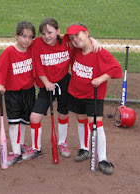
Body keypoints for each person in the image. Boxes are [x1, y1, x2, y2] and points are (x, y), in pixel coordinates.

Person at [22, 18, 101, 160]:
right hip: (46, 84)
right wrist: (46, 82)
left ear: (58, 31)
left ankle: (62, 143)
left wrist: (93, 40)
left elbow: (81, 39)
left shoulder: (67, 41)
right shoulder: (37, 44)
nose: (47, 36)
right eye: (43, 33)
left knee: (63, 114)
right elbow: (38, 66)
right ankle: (36, 149)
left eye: (50, 32)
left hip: (65, 83)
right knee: (34, 117)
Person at [65, 23, 122, 175]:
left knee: (96, 124)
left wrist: (101, 78)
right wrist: (91, 39)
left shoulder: (99, 51)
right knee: (81, 119)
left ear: (86, 33)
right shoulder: (74, 49)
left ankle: (102, 158)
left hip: (93, 95)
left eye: (78, 35)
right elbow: (55, 39)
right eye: (72, 38)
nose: (75, 40)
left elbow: (116, 68)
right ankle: (85, 149)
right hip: (76, 92)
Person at [0, 21, 36, 166]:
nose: (26, 40)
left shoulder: (32, 48)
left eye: (30, 37)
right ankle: (16, 153)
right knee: (14, 122)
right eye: (23, 36)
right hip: (13, 93)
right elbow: (0, 68)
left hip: (28, 92)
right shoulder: (9, 51)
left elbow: (51, 39)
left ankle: (20, 144)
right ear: (16, 35)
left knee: (23, 121)